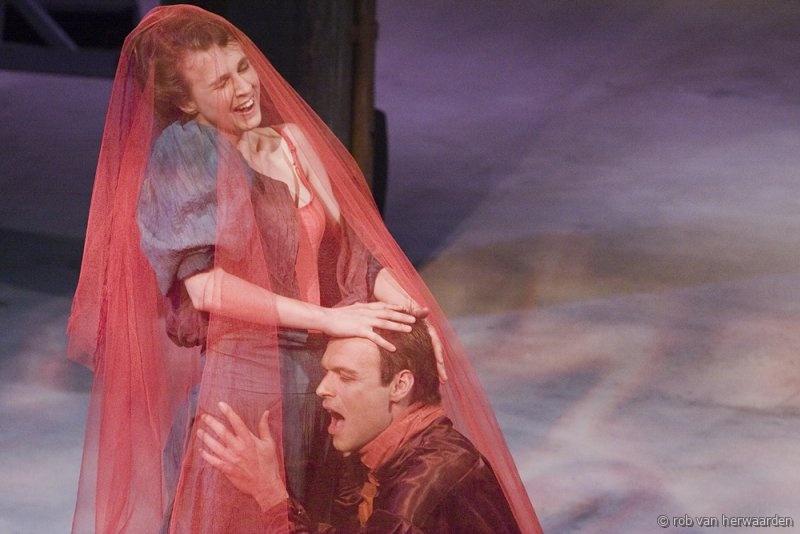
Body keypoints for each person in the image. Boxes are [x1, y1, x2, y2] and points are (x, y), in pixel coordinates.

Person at [66, 4, 541, 533]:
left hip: (326, 381)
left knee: (320, 516)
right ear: (185, 101)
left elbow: (355, 259)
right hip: (251, 387)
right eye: (221, 83)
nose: (244, 88)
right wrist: (329, 319)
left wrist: (409, 310)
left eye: (243, 68)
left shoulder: (293, 141)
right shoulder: (188, 152)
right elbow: (206, 289)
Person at [199, 324, 522, 533]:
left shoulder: (422, 486)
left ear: (400, 385)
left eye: (345, 376)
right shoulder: (398, 451)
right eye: (326, 373)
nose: (322, 388)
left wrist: (269, 493)